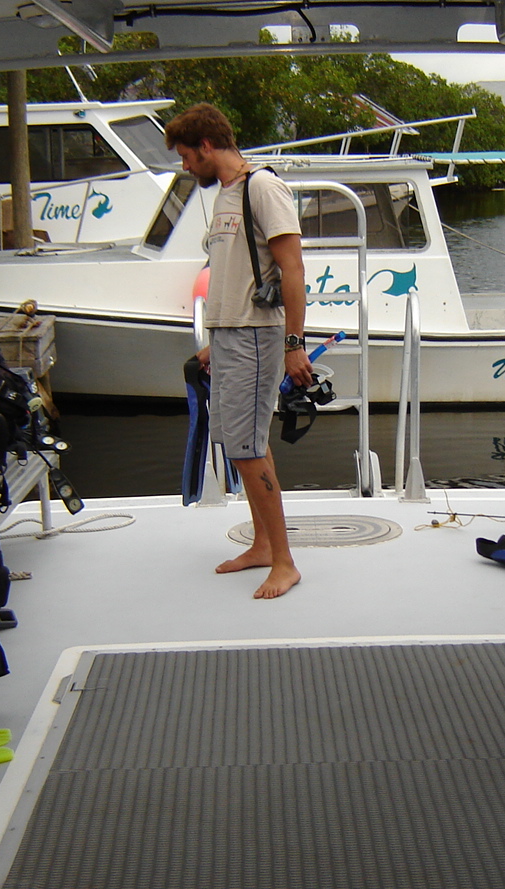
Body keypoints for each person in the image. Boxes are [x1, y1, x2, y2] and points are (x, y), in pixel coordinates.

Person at [164, 103, 313, 599]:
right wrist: (215, 341)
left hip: (256, 336)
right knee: (241, 443)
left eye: (187, 156)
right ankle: (264, 545)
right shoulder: (227, 193)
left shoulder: (262, 188)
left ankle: (285, 562)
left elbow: (292, 269)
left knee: (248, 449)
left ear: (207, 146)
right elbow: (233, 273)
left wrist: (295, 344)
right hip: (230, 336)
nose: (185, 166)